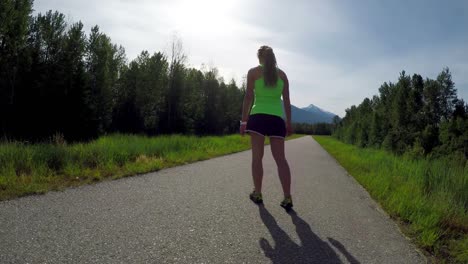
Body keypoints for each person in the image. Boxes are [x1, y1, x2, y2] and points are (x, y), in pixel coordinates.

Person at [240, 45, 293, 210]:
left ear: (259, 57)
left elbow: (249, 96)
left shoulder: (254, 72)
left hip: (258, 118)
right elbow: (286, 101)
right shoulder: (282, 75)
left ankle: (258, 193)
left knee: (257, 158)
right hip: (277, 119)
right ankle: (287, 197)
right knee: (281, 160)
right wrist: (289, 123)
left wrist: (243, 121)